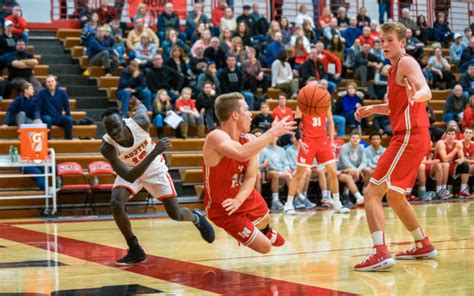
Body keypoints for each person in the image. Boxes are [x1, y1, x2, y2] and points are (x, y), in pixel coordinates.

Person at [354, 22, 437, 272]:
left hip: (410, 136)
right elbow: (395, 107)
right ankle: (423, 243)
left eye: (390, 40)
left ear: (402, 43)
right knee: (396, 195)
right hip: (413, 136)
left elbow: (426, 89)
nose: (385, 45)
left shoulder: (406, 63)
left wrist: (419, 95)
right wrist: (372, 109)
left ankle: (380, 252)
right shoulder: (392, 70)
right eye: (382, 41)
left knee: (372, 193)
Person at [101, 99, 215, 265]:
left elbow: (141, 108)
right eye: (109, 130)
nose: (114, 132)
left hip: (154, 168)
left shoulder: (141, 123)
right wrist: (154, 152)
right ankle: (135, 249)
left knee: (175, 214)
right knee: (116, 202)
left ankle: (196, 217)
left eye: (117, 126)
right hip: (131, 169)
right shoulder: (107, 147)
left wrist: (139, 102)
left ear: (124, 121)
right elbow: (131, 176)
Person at [202, 92, 294, 253]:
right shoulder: (215, 137)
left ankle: (264, 230)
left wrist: (239, 199)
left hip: (242, 194)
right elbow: (242, 153)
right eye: (247, 109)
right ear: (235, 115)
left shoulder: (250, 139)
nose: (251, 114)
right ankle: (240, 231)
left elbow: (251, 176)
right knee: (265, 247)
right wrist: (272, 132)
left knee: (265, 216)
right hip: (223, 208)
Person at [284, 82, 350, 215]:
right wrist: (300, 141)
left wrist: (331, 140)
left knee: (332, 170)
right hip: (308, 141)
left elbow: (330, 122)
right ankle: (288, 204)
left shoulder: (325, 101)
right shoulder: (303, 103)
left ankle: (337, 203)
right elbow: (296, 124)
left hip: (322, 141)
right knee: (299, 173)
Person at [435, 127, 471, 198]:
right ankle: (442, 190)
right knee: (446, 164)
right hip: (437, 166)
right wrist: (456, 149)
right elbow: (445, 159)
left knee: (465, 165)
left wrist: (461, 160)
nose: (451, 136)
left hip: (451, 166)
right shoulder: (441, 143)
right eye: (449, 134)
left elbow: (462, 157)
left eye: (452, 134)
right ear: (445, 135)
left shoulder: (457, 143)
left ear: (455, 136)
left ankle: (463, 190)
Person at [38, 76, 73, 140]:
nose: (50, 83)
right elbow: (38, 108)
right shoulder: (41, 93)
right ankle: (47, 140)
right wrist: (38, 118)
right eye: (48, 82)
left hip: (58, 116)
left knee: (69, 120)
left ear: (55, 82)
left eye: (52, 81)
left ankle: (68, 140)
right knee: (47, 119)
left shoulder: (62, 92)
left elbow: (67, 106)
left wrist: (68, 115)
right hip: (46, 116)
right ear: (46, 84)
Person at [337, 130, 366, 206]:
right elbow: (345, 162)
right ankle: (357, 197)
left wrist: (358, 170)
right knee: (351, 172)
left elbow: (364, 162)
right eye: (353, 138)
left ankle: (347, 194)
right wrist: (356, 171)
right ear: (350, 139)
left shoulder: (361, 148)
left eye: (357, 138)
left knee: (353, 173)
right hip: (341, 170)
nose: (355, 139)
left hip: (353, 171)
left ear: (360, 140)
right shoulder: (345, 147)